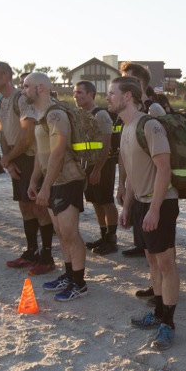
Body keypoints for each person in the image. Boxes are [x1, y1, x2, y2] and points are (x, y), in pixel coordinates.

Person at [112, 76, 180, 350]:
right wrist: (128, 206)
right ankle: (159, 312)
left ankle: (169, 323)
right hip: (142, 202)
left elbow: (164, 169)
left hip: (160, 203)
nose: (109, 97)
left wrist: (153, 210)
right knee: (152, 262)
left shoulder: (149, 125)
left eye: (113, 93)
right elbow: (130, 174)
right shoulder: (127, 126)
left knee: (166, 264)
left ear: (128, 96)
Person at [24, 73, 88, 301]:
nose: (23, 90)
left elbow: (58, 152)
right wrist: (34, 181)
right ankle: (69, 274)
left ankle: (79, 283)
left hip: (67, 180)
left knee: (70, 233)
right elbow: (40, 153)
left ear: (40, 87)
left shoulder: (56, 114)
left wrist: (46, 187)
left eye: (27, 86)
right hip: (52, 181)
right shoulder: (40, 115)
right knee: (61, 233)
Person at [0, 63, 56, 274]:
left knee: (39, 207)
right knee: (25, 207)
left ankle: (46, 257)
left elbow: (27, 137)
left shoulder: (22, 99)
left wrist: (8, 158)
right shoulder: (2, 102)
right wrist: (9, 162)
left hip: (33, 159)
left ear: (6, 76)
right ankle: (31, 251)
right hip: (17, 160)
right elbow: (5, 134)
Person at [116, 62, 165, 259]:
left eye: (127, 79)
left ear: (138, 82)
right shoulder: (128, 111)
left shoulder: (154, 110)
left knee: (161, 251)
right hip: (136, 184)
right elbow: (125, 151)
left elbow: (162, 158)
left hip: (154, 185)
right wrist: (121, 183)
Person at [73, 80, 119, 255]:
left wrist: (97, 169)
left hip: (102, 165)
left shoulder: (101, 115)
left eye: (80, 93)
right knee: (95, 201)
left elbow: (106, 145)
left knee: (106, 201)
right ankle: (103, 235)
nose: (76, 96)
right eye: (75, 93)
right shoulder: (80, 114)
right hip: (87, 165)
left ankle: (112, 239)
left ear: (91, 94)